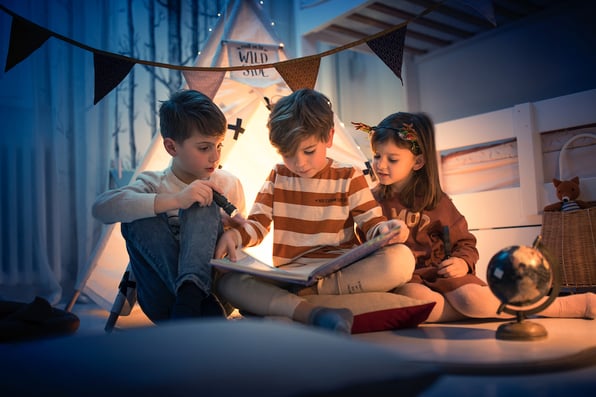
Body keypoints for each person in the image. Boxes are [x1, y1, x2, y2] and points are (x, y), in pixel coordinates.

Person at [353, 111, 595, 322]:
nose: (380, 165)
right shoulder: (370, 201)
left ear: (417, 162)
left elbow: (466, 243)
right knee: (416, 301)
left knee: (470, 298)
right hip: (408, 281)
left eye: (392, 159)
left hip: (443, 272)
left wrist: (462, 262)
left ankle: (556, 306)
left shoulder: (435, 201)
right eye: (376, 156)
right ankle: (478, 310)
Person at [213, 89, 415, 334]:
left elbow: (372, 225)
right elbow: (256, 225)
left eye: (308, 151)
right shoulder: (278, 176)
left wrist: (386, 230)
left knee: (402, 259)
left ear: (328, 137)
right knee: (228, 283)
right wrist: (234, 236)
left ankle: (294, 303)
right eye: (288, 154)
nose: (299, 163)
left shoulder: (348, 176)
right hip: (290, 276)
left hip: (339, 274)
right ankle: (310, 309)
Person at [92, 89, 246, 323]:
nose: (215, 157)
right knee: (138, 217)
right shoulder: (154, 183)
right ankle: (193, 304)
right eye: (204, 148)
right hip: (163, 301)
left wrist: (234, 234)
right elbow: (100, 208)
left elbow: (241, 236)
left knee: (203, 203)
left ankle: (192, 302)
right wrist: (176, 200)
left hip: (216, 294)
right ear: (172, 148)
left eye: (219, 145)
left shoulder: (227, 183)